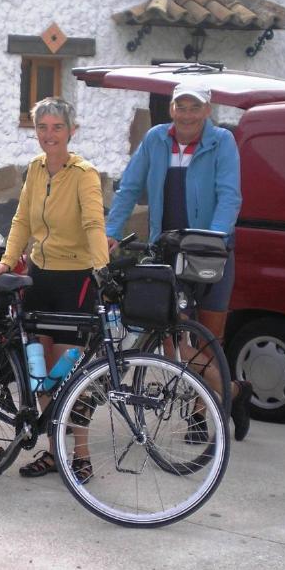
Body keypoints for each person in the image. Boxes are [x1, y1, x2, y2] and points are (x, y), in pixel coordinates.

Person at [104, 83, 253, 438]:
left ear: (207, 108)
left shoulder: (222, 143)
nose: (187, 114)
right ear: (171, 108)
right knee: (173, 336)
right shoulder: (156, 139)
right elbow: (129, 187)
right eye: (180, 106)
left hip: (211, 252)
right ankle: (233, 392)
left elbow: (229, 196)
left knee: (209, 338)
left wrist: (212, 240)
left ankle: (201, 415)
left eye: (194, 107)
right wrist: (110, 231)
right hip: (168, 251)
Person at [0, 97, 108, 481]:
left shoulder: (84, 173)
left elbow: (93, 224)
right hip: (39, 276)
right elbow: (22, 219)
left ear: (72, 131)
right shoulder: (35, 170)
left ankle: (82, 454)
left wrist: (102, 268)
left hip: (76, 279)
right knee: (42, 369)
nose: (49, 135)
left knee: (69, 371)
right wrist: (7, 260)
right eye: (42, 127)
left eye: (57, 127)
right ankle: (55, 453)